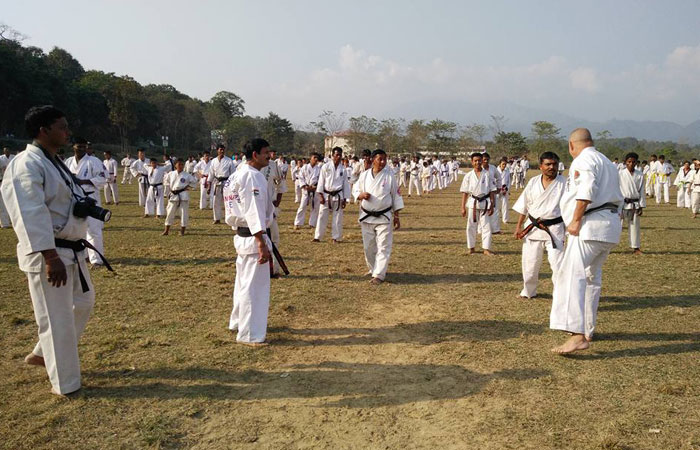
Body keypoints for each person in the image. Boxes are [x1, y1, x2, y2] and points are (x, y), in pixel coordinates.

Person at [1, 106, 98, 395]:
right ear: (44, 130)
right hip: (50, 253)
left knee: (84, 302)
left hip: (72, 249)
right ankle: (65, 385)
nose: (67, 132)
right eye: (62, 127)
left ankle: (43, 353)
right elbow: (29, 213)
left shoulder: (54, 161)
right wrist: (49, 256)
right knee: (57, 320)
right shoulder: (26, 164)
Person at [550, 128, 623, 354]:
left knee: (570, 276)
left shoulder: (583, 160)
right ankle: (588, 328)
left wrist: (575, 220)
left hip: (590, 226)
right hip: (609, 225)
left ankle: (577, 335)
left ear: (571, 145)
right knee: (591, 277)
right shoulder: (607, 162)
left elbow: (586, 190)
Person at [223, 138, 274, 346]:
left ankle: (238, 322)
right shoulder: (253, 176)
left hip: (242, 235)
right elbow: (254, 210)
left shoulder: (236, 174)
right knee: (254, 289)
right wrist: (261, 241)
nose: (269, 156)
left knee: (243, 284)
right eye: (266, 153)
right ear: (255, 155)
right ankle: (250, 334)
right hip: (253, 237)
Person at [513, 152, 566, 298]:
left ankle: (560, 296)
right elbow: (524, 205)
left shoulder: (565, 183)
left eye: (554, 164)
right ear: (540, 166)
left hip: (554, 230)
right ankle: (528, 291)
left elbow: (570, 209)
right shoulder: (533, 182)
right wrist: (518, 227)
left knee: (558, 266)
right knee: (530, 265)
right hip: (533, 228)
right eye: (548, 164)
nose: (552, 167)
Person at [353, 149, 404, 284]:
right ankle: (373, 269)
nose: (382, 162)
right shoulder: (364, 175)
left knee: (383, 246)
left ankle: (379, 275)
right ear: (373, 159)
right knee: (368, 247)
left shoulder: (390, 176)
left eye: (384, 159)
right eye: (380, 159)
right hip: (366, 216)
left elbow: (396, 196)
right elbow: (356, 189)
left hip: (384, 216)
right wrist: (360, 195)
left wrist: (397, 216)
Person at [64, 137, 107, 267]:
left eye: (84, 147)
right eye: (79, 146)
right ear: (73, 147)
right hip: (74, 199)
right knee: (76, 229)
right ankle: (83, 255)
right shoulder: (68, 162)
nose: (82, 149)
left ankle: (97, 259)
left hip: (91, 198)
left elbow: (103, 178)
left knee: (94, 229)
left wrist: (83, 181)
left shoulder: (94, 161)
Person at [259, 147, 287, 277]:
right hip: (254, 210)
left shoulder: (273, 165)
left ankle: (274, 269)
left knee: (274, 239)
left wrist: (276, 203)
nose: (268, 155)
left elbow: (281, 185)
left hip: (270, 207)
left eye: (268, 152)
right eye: (265, 152)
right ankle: (260, 271)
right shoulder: (246, 168)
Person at [460, 153, 496, 255]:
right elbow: (465, 192)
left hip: (485, 203)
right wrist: (463, 207)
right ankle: (471, 247)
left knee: (486, 226)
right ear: (472, 162)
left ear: (482, 161)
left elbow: (492, 191)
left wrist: (492, 205)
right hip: (473, 203)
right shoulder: (468, 176)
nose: (477, 162)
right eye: (475, 161)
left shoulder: (487, 174)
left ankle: (486, 248)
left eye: (479, 160)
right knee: (471, 226)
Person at [314, 147, 351, 243]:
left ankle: (336, 237)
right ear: (332, 155)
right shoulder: (325, 167)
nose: (338, 157)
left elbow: (345, 184)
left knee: (338, 218)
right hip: (326, 195)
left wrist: (345, 199)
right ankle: (318, 236)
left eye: (340, 155)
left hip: (338, 195)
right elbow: (321, 181)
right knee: (322, 216)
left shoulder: (343, 169)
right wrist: (320, 195)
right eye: (336, 155)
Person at [619, 152, 646, 255]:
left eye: (633, 162)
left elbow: (642, 191)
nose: (631, 164)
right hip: (622, 203)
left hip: (634, 204)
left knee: (634, 226)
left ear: (636, 163)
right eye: (629, 161)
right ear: (625, 162)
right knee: (617, 225)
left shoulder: (640, 175)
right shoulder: (620, 174)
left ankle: (636, 247)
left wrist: (641, 206)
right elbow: (616, 189)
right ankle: (610, 246)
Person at [162, 158, 197, 236]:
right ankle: (166, 230)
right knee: (169, 213)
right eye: (179, 164)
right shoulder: (170, 174)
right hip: (173, 195)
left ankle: (182, 231)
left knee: (184, 214)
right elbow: (165, 182)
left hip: (183, 195)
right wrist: (168, 191)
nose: (181, 166)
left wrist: (188, 186)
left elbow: (194, 182)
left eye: (182, 164)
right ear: (175, 165)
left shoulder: (187, 175)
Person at [294, 153, 321, 229]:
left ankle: (312, 224)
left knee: (315, 207)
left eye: (317, 158)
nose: (316, 159)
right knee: (302, 206)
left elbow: (320, 179)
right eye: (314, 157)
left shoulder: (319, 169)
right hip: (306, 189)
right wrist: (304, 186)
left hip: (315, 190)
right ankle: (298, 223)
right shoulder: (305, 167)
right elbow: (301, 177)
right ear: (310, 158)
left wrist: (315, 186)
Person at [208, 144, 234, 224]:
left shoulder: (229, 160)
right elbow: (211, 174)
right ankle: (217, 218)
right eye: (220, 149)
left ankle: (229, 219)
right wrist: (209, 185)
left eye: (223, 149)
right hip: (217, 183)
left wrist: (232, 185)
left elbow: (233, 174)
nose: (222, 151)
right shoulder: (213, 161)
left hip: (226, 183)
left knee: (228, 201)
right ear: (217, 150)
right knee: (216, 202)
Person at [481, 153, 502, 234]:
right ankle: (481, 229)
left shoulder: (493, 168)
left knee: (495, 210)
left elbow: (499, 177)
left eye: (487, 159)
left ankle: (495, 229)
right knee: (482, 211)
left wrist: (499, 187)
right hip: (482, 194)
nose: (486, 161)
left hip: (492, 192)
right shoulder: (479, 169)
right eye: (484, 159)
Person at [0, 147, 13, 227]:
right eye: (5, 150)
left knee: (8, 202)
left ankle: (7, 222)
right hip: (2, 181)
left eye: (8, 150)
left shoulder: (13, 158)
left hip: (9, 181)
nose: (7, 151)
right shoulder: (1, 158)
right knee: (2, 204)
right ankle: (4, 223)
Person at [496, 157, 511, 226]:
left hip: (505, 190)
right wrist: (498, 189)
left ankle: (505, 219)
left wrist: (506, 189)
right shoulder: (496, 171)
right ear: (500, 164)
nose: (504, 165)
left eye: (505, 164)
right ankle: (496, 219)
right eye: (503, 164)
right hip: (497, 190)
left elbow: (509, 181)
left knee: (505, 205)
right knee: (497, 205)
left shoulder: (507, 171)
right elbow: (493, 181)